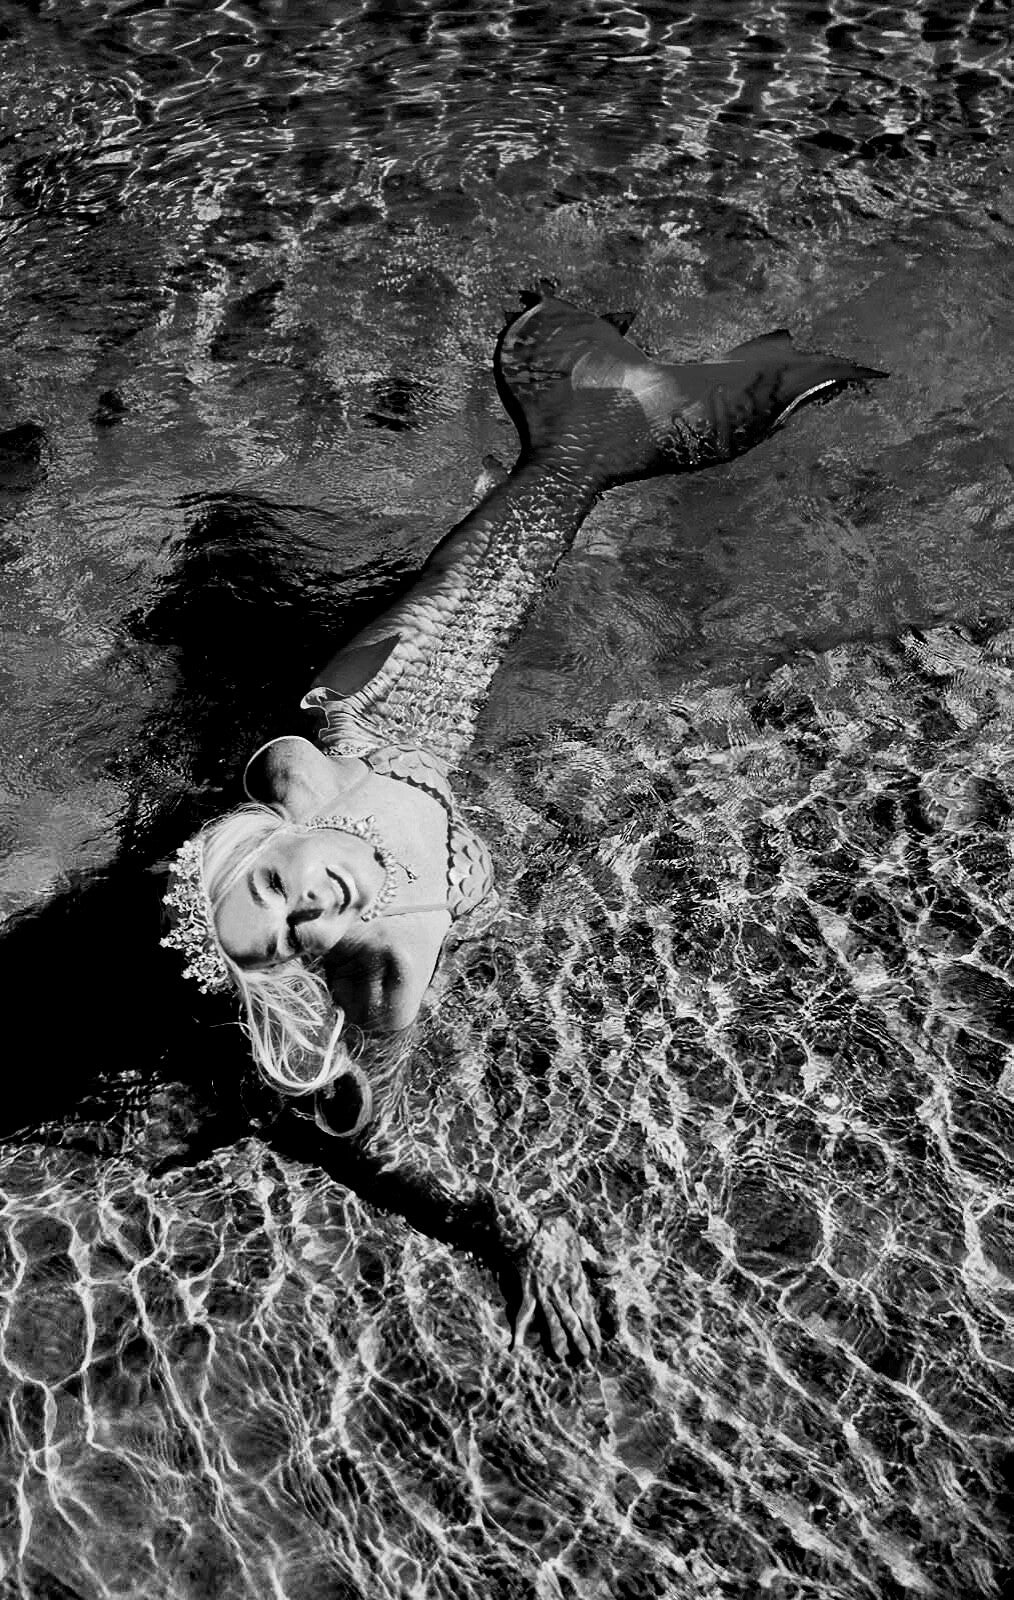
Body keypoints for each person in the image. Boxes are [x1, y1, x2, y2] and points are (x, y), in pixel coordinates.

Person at [162, 292, 884, 1358]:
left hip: (391, 725)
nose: (309, 901)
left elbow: (280, 765)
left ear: (270, 834)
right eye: (295, 937)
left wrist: (287, 767)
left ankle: (592, 423)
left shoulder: (303, 788)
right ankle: (621, 405)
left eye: (275, 885)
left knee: (475, 584)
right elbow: (359, 1129)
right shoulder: (389, 969)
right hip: (447, 806)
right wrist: (500, 1231)